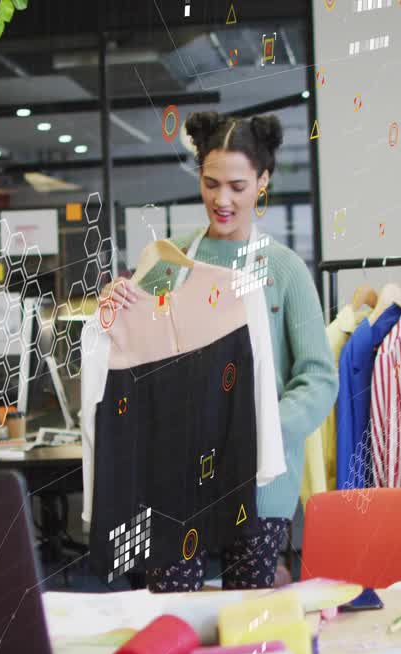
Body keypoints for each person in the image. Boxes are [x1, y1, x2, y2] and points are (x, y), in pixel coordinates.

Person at [107, 112, 337, 591]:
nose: (222, 199)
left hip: (260, 483)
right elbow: (139, 361)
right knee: (173, 619)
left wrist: (262, 429)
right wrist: (117, 308)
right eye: (210, 184)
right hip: (178, 478)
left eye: (237, 185)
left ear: (263, 181)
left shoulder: (284, 270)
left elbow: (318, 379)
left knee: (245, 626)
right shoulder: (171, 263)